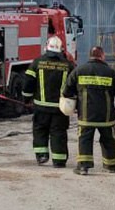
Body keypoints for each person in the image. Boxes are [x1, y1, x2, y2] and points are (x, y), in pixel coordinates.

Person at [61, 46, 115, 175]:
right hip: (106, 116)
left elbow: (66, 91)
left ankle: (83, 167)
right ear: (102, 56)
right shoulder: (111, 72)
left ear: (90, 56)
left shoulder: (79, 70)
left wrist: (73, 103)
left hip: (86, 115)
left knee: (85, 139)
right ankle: (111, 166)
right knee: (108, 139)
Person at [22, 36, 76, 167]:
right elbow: (74, 85)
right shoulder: (68, 65)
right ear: (61, 49)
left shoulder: (37, 62)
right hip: (61, 108)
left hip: (41, 107)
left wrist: (26, 98)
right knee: (59, 133)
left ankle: (42, 156)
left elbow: (28, 82)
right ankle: (59, 160)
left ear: (46, 47)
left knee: (40, 130)